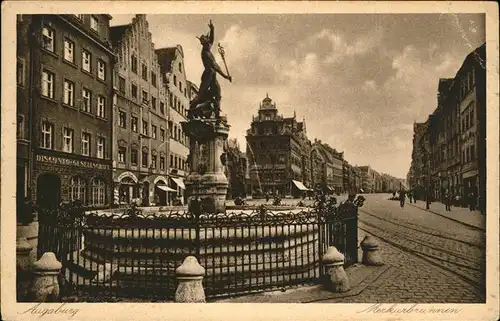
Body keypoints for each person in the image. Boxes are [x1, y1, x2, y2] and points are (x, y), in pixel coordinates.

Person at [190, 20, 232, 118]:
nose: (210, 43)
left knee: (217, 92)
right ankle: (192, 107)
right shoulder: (205, 53)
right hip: (208, 75)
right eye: (207, 41)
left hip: (212, 74)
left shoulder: (207, 48)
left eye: (209, 41)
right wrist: (225, 76)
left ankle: (217, 115)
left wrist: (212, 29)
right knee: (201, 94)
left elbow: (212, 40)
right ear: (204, 43)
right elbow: (215, 66)